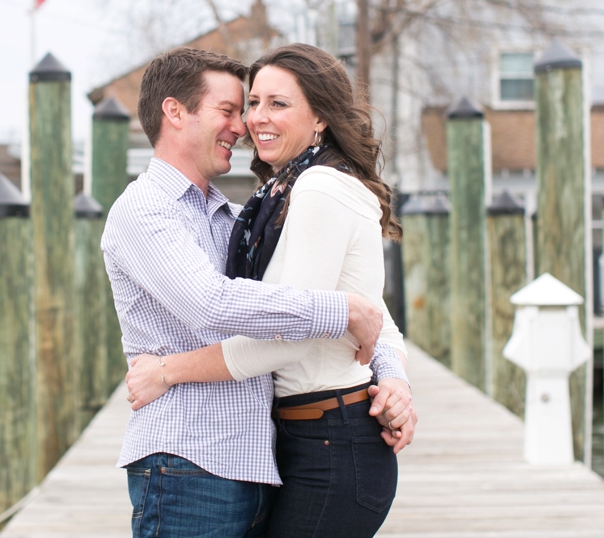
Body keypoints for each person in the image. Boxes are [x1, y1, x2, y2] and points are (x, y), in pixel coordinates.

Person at [100, 46, 411, 538]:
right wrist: (340, 311)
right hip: (188, 460)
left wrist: (393, 374)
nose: (243, 124)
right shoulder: (144, 211)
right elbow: (211, 304)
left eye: (264, 106)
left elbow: (359, 303)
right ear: (175, 112)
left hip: (259, 459)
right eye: (232, 109)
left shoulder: (236, 217)